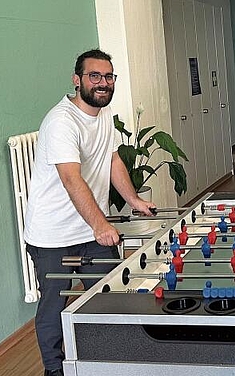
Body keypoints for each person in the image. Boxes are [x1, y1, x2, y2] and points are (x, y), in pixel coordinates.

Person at [24, 49, 156, 376]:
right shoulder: (61, 122)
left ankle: (108, 363)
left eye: (108, 77)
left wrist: (134, 200)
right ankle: (55, 372)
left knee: (110, 297)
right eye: (94, 76)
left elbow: (111, 161)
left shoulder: (104, 114)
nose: (102, 83)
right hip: (52, 235)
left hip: (90, 231)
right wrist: (101, 225)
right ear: (77, 79)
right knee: (55, 306)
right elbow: (72, 179)